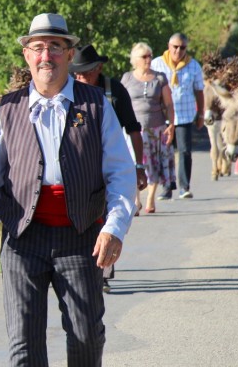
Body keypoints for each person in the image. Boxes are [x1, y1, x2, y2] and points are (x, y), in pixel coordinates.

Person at [0, 13, 137, 367]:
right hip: (22, 238)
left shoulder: (96, 105)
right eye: (38, 47)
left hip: (81, 237)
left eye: (55, 47)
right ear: (26, 55)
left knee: (86, 337)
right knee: (23, 347)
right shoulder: (7, 110)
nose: (46, 55)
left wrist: (114, 228)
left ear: (69, 52)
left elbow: (120, 173)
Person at [68, 43, 146, 293]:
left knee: (108, 216)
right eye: (76, 74)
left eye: (86, 73)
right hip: (83, 167)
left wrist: (138, 166)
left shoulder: (115, 91)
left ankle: (102, 272)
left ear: (99, 68)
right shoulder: (71, 94)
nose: (81, 78)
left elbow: (133, 129)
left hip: (111, 164)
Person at [121, 42, 176, 213]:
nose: (148, 59)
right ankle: (136, 200)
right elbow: (121, 102)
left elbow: (168, 104)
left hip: (156, 128)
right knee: (133, 165)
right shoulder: (127, 78)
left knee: (154, 165)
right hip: (133, 130)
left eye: (150, 56)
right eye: (144, 56)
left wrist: (171, 124)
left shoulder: (160, 78)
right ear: (135, 60)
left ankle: (150, 198)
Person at [151, 33, 205, 199]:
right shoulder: (157, 64)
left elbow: (199, 91)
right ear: (169, 46)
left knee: (185, 151)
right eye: (175, 47)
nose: (178, 50)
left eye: (182, 47)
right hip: (163, 115)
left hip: (184, 115)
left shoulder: (193, 65)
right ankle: (166, 188)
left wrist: (201, 113)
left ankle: (184, 187)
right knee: (164, 152)